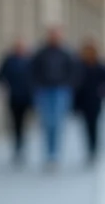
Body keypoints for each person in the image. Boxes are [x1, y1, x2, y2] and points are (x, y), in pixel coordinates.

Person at [29, 26, 78, 169]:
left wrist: (68, 85)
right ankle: (48, 154)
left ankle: (55, 154)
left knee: (58, 123)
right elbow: (33, 71)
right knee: (47, 124)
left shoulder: (65, 53)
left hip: (60, 91)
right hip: (45, 91)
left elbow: (73, 71)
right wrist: (37, 86)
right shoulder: (42, 53)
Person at [0, 39, 32, 165]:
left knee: (24, 123)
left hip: (26, 97)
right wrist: (6, 86)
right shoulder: (9, 61)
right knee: (15, 123)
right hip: (13, 97)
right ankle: (17, 146)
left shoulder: (29, 60)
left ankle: (22, 145)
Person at [74, 38, 105, 164]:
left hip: (95, 100)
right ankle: (89, 149)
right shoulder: (81, 65)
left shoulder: (99, 66)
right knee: (86, 126)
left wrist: (104, 92)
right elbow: (76, 84)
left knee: (94, 126)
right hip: (84, 100)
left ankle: (93, 149)